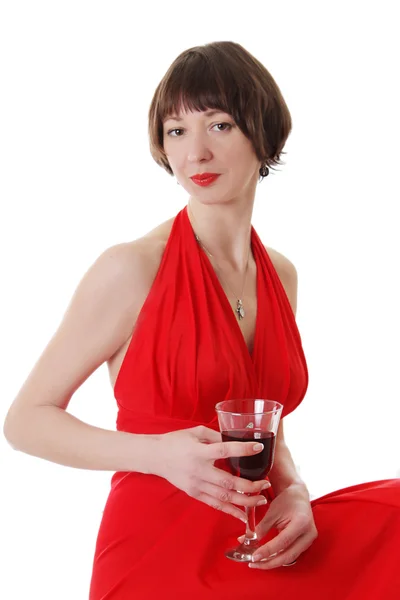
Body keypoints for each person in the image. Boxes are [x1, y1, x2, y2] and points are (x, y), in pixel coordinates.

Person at [3, 40, 400, 600]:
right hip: (160, 551)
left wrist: (295, 490)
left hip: (257, 542)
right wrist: (158, 454)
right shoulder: (131, 268)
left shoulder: (280, 275)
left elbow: (267, 424)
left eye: (218, 126)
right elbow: (24, 421)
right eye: (175, 131)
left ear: (263, 134)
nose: (195, 154)